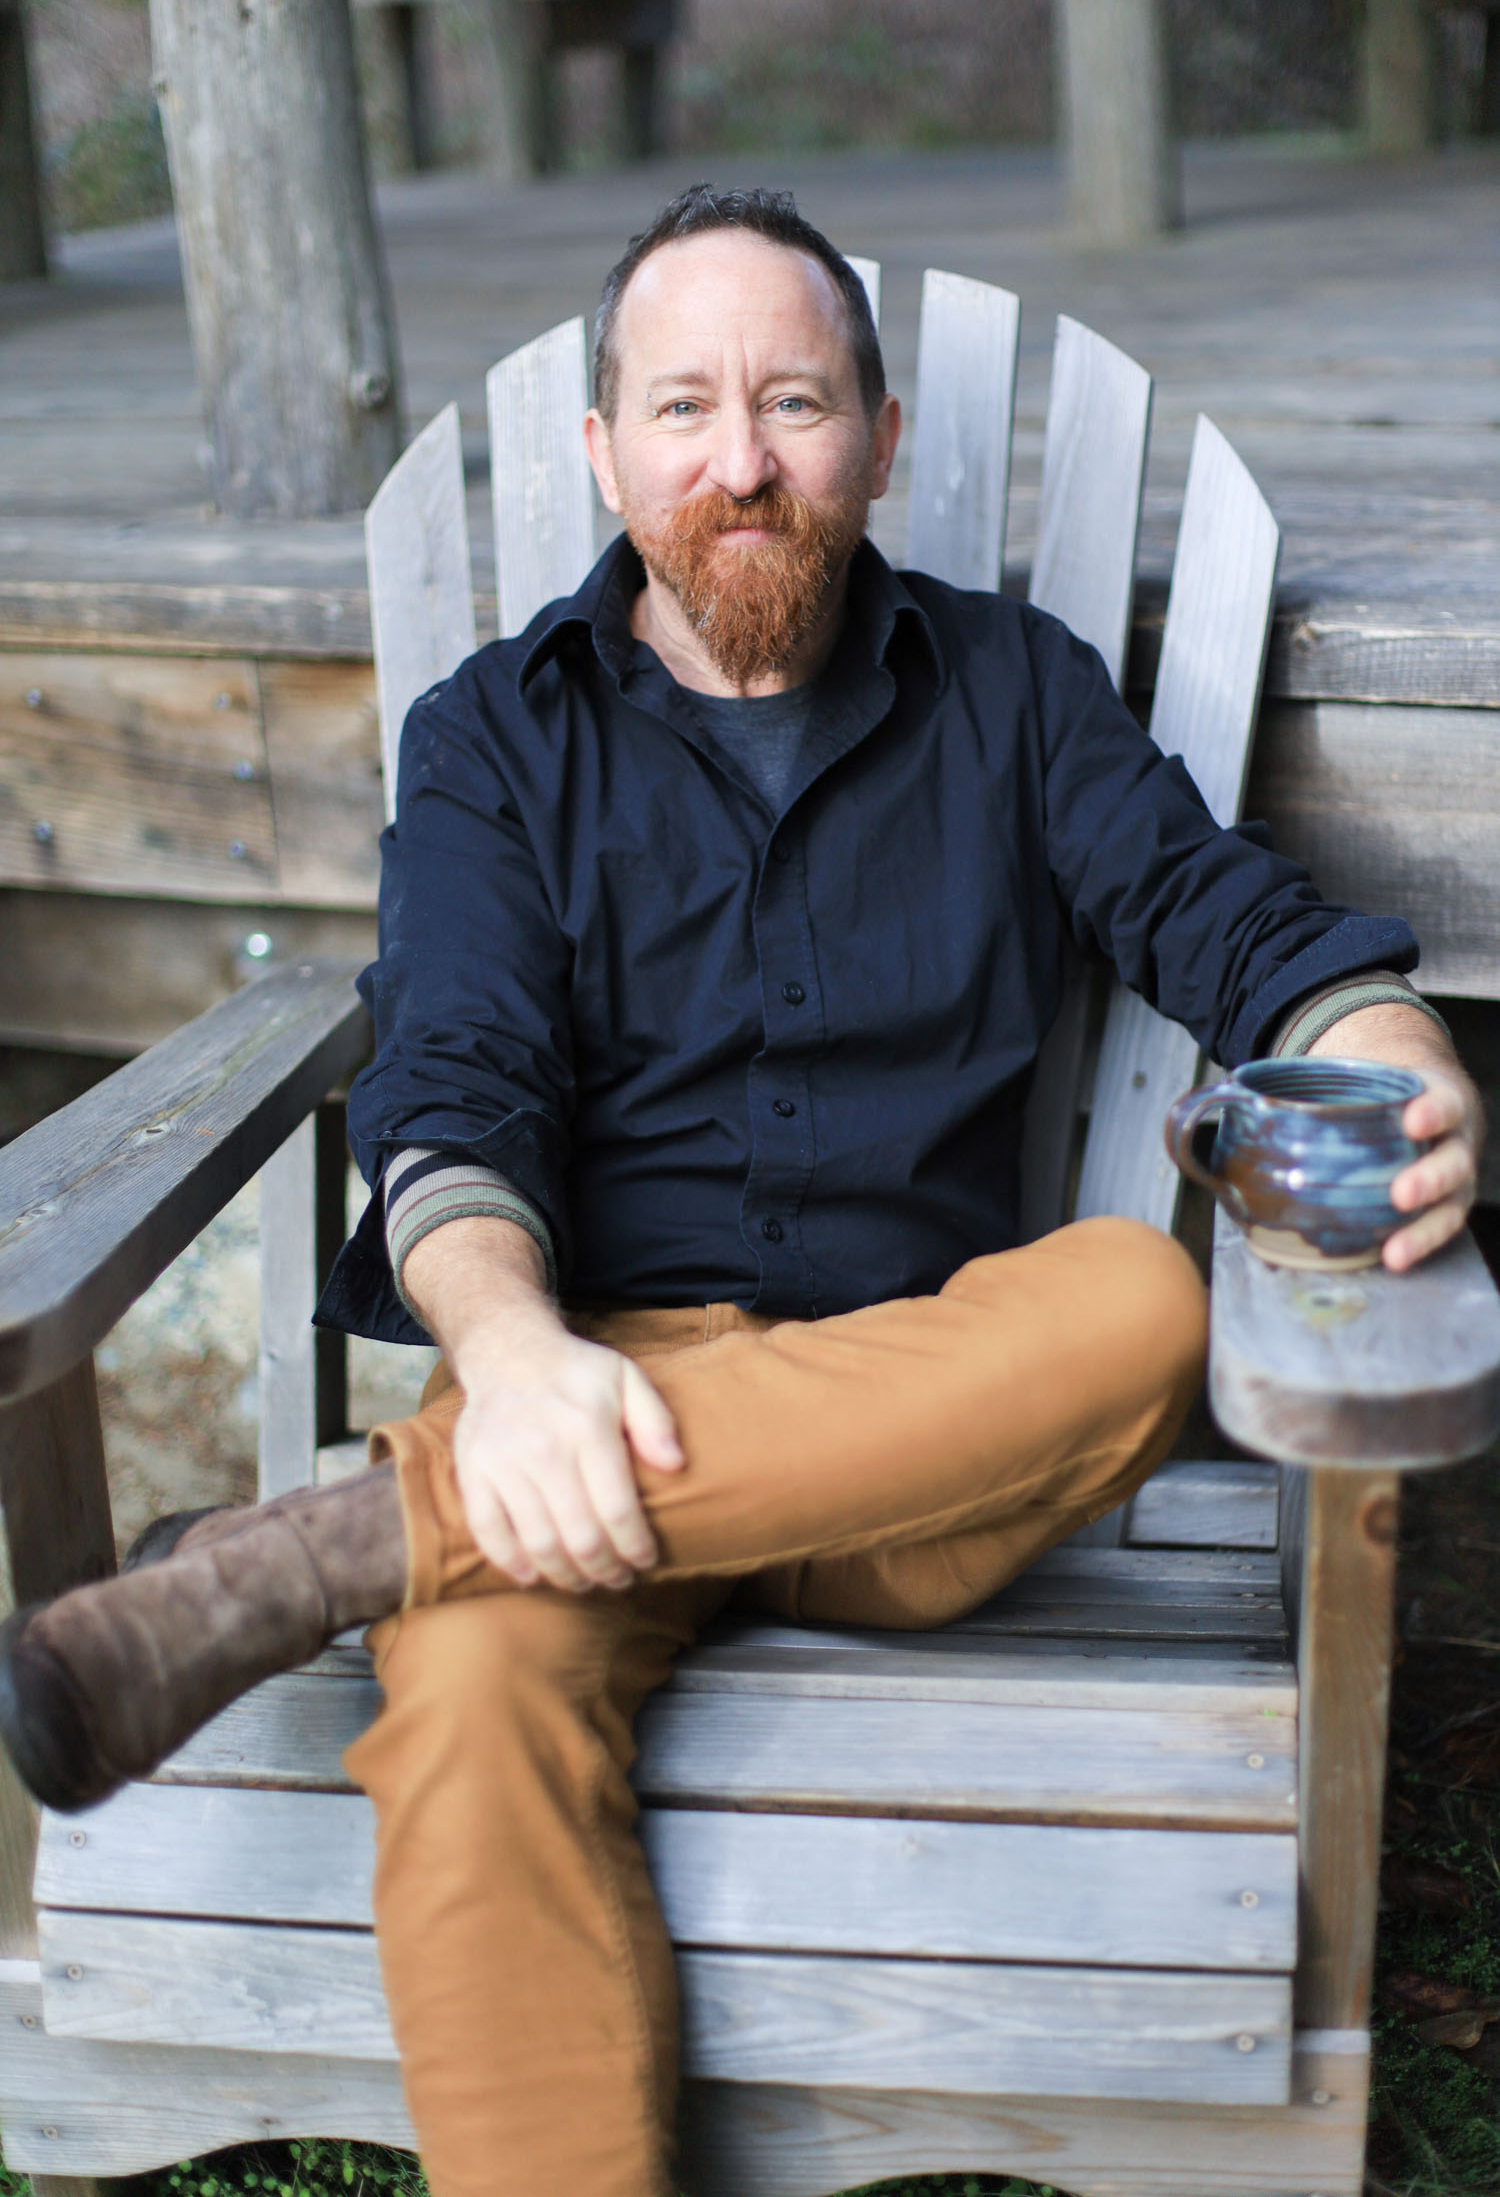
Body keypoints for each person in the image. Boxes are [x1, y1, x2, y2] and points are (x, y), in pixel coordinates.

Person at [0, 186, 1481, 2197]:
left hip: (916, 1422)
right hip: (571, 1410)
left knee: (1137, 1302)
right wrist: (512, 1362)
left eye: (794, 402)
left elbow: (1216, 919)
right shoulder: (496, 745)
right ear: (605, 453)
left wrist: (1383, 1042)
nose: (743, 459)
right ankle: (423, 1540)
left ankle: (331, 1550)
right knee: (472, 1697)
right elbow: (459, 1077)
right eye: (684, 406)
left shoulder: (1013, 691)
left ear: (875, 440)